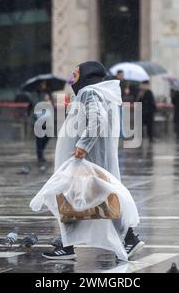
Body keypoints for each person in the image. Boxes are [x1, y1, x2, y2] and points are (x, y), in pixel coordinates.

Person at [41, 61, 144, 260]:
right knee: (86, 199)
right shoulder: (101, 93)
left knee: (76, 197)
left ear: (87, 75)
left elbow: (98, 120)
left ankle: (70, 245)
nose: (72, 78)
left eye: (76, 73)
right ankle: (69, 244)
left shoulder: (90, 93)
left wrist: (82, 146)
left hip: (86, 159)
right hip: (93, 159)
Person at [33, 81, 54, 163]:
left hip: (48, 119)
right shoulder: (36, 93)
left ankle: (41, 150)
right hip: (39, 119)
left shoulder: (49, 93)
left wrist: (49, 102)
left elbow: (52, 106)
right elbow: (35, 103)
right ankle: (40, 156)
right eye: (42, 84)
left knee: (48, 136)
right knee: (39, 138)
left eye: (45, 84)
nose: (44, 85)